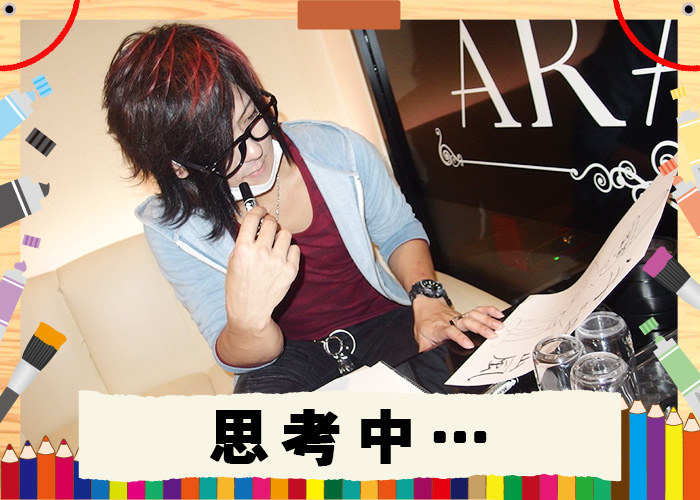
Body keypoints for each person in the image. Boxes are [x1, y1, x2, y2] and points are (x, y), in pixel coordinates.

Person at [102, 23, 505, 393]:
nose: (255, 150)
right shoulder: (173, 228)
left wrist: (429, 301)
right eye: (220, 148)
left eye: (252, 117)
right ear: (178, 166)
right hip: (287, 358)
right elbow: (234, 349)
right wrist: (248, 318)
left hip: (386, 323)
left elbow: (398, 231)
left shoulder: (339, 150)